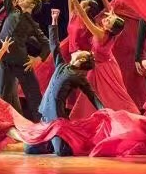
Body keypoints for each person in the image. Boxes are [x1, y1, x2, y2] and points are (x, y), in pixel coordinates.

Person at [24, 8, 104, 156]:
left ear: (81, 59)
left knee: (62, 152)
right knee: (29, 150)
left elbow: (91, 94)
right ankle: (50, 142)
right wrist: (54, 22)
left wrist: (103, 110)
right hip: (45, 113)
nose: (78, 50)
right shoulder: (62, 65)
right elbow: (54, 46)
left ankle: (65, 141)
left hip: (57, 117)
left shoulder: (78, 76)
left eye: (82, 52)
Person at [64, 0, 139, 119]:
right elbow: (108, 5)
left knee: (112, 95)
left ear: (110, 28)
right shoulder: (115, 32)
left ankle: (123, 117)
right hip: (108, 65)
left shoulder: (101, 34)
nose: (106, 18)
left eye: (108, 21)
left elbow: (84, 17)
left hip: (102, 68)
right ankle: (90, 116)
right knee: (97, 94)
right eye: (109, 18)